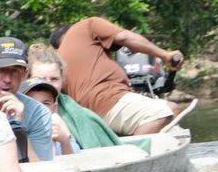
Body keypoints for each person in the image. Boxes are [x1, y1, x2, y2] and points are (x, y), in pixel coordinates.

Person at [51, 17, 185, 136]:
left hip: (86, 116)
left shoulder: (58, 59)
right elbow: (124, 37)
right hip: (108, 99)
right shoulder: (88, 25)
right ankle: (135, 156)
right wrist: (164, 55)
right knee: (169, 110)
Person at [0, 35, 53, 164]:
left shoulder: (38, 113)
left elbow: (42, 170)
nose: (8, 79)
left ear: (25, 74)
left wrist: (18, 128)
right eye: (0, 70)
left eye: (15, 71)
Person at [19, 73, 75, 155]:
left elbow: (74, 163)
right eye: (31, 103)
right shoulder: (14, 131)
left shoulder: (59, 131)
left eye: (45, 103)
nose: (39, 109)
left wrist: (65, 142)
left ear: (54, 108)